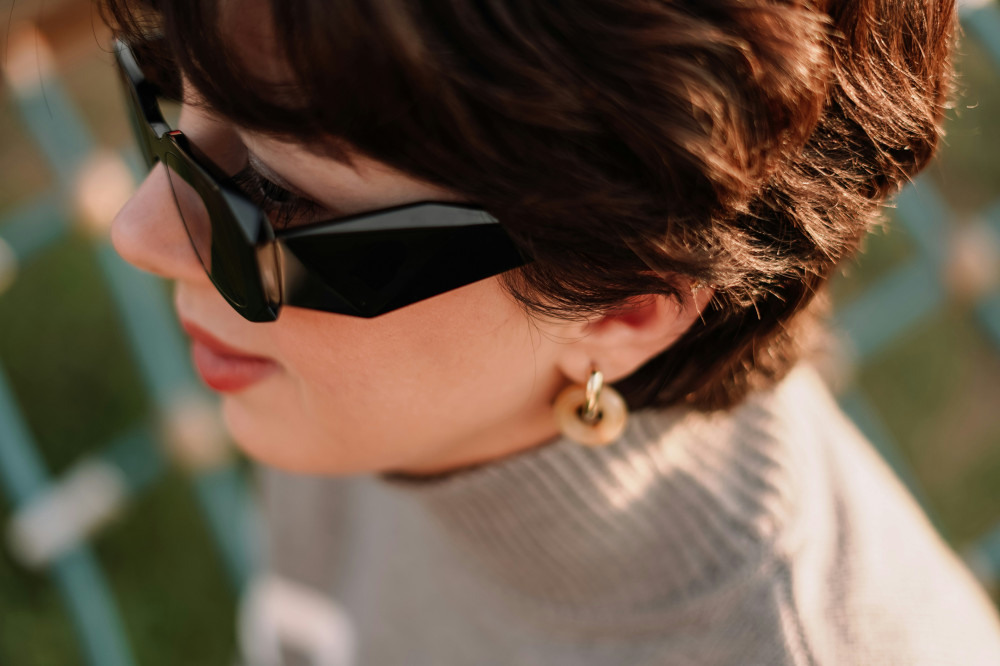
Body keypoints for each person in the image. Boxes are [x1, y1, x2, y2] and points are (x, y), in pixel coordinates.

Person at [104, 0, 1000, 663]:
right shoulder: (363, 391)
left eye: (273, 196)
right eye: (169, 96)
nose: (138, 232)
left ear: (619, 311)